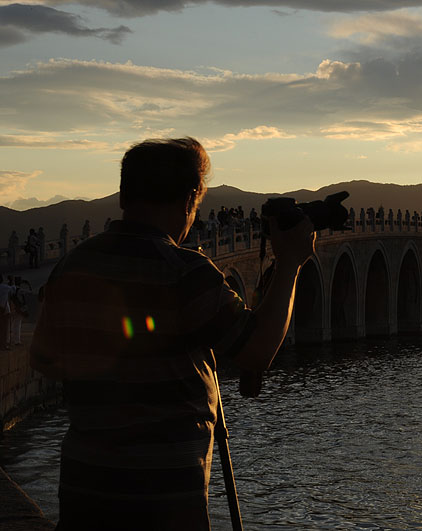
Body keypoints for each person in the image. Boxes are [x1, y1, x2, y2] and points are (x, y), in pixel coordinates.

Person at [30, 137, 316, 530]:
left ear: (124, 196)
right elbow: (257, 350)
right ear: (190, 199)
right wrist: (290, 265)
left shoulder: (72, 265)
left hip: (85, 490)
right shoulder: (186, 271)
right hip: (162, 499)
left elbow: (43, 358)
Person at [0, 276, 12, 349]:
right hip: (4, 310)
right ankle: (3, 345)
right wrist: (11, 281)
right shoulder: (5, 287)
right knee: (4, 329)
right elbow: (13, 289)